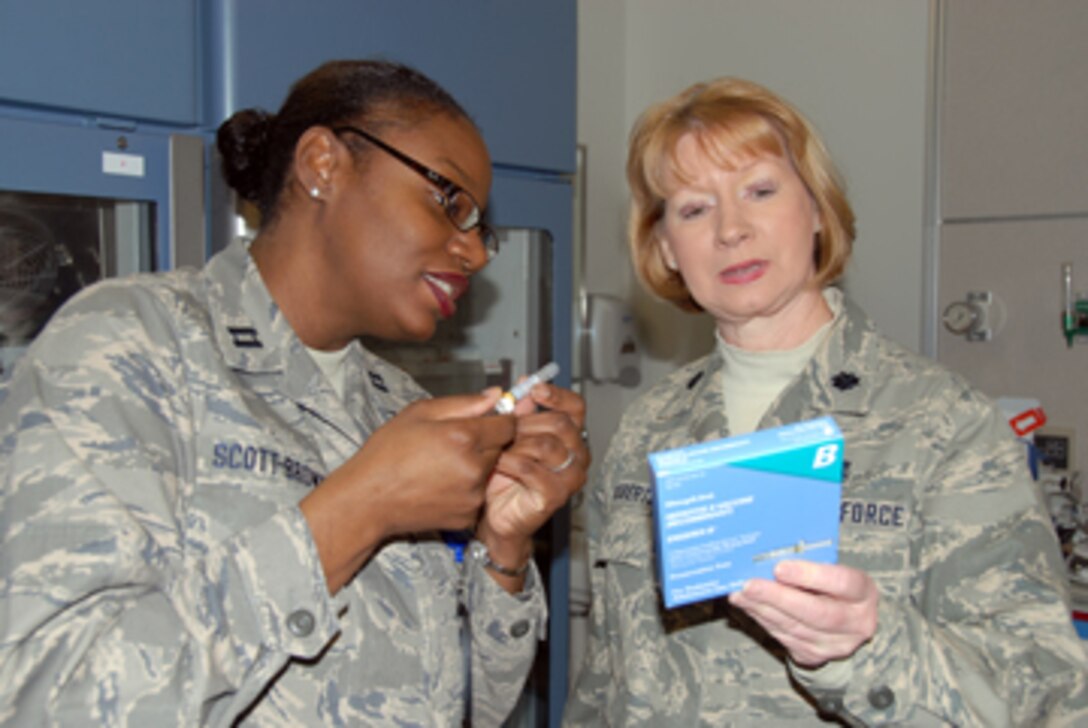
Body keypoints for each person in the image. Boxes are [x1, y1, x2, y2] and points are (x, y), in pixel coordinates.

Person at [0, 59, 588, 726]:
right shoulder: (129, 345)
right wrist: (358, 510)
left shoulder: (395, 403)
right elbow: (51, 700)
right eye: (449, 200)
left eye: (479, 227)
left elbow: (468, 708)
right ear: (322, 164)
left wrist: (503, 547)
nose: (478, 253)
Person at [563, 77, 1088, 726]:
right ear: (666, 246)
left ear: (815, 210)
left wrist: (863, 649)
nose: (731, 229)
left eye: (760, 191)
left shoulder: (945, 428)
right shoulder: (649, 427)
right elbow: (606, 680)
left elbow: (1044, 700)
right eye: (695, 209)